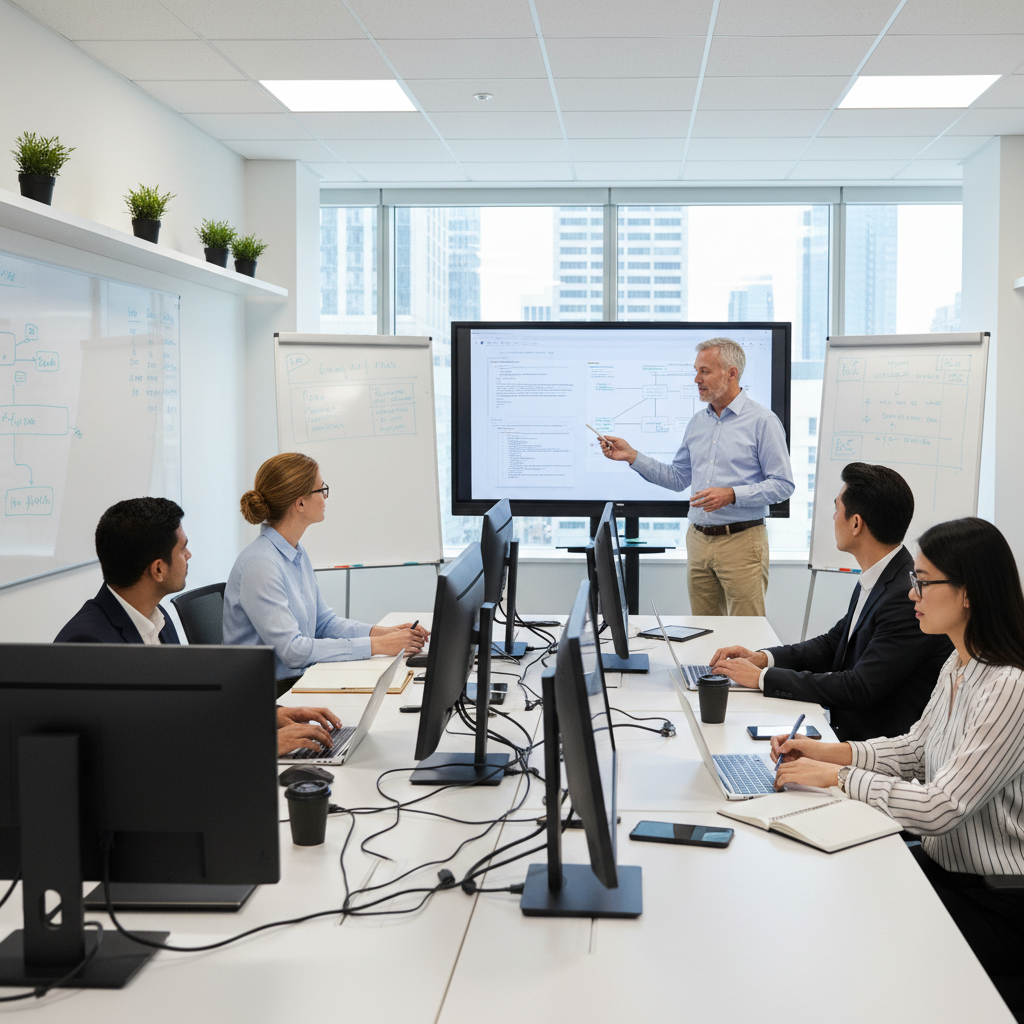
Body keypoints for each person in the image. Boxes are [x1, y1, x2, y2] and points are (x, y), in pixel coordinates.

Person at [772, 518, 1024, 1016]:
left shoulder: (1008, 687)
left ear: (968, 594)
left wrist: (839, 778)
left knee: (860, 938)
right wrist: (825, 752)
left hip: (998, 900)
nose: (912, 594)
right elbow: (915, 750)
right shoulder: (958, 664)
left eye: (923, 582)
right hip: (947, 870)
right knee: (832, 889)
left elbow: (940, 807)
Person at [54, 496, 340, 757]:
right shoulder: (87, 645)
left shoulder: (155, 617)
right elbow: (137, 747)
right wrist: (258, 745)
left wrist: (268, 715)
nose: (189, 555)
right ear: (158, 569)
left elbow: (187, 709)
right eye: (183, 548)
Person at [710, 463, 953, 741]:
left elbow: (859, 687)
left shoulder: (904, 596)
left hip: (875, 748)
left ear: (856, 523)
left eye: (837, 508)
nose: (834, 517)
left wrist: (762, 678)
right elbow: (833, 644)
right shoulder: (882, 576)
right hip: (846, 733)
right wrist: (764, 658)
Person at [599, 337, 794, 616]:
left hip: (742, 541)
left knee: (746, 630)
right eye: (696, 371)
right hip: (698, 540)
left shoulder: (763, 421)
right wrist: (632, 456)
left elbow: (783, 485)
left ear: (731, 373)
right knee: (704, 629)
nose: (696, 379)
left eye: (705, 371)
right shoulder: (698, 422)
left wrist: (732, 495)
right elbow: (678, 478)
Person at [223, 452, 428, 695]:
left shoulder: (295, 551)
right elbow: (293, 651)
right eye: (322, 489)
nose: (325, 496)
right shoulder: (261, 565)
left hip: (298, 679)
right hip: (268, 695)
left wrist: (385, 633)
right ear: (300, 503)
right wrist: (378, 645)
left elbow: (323, 623)